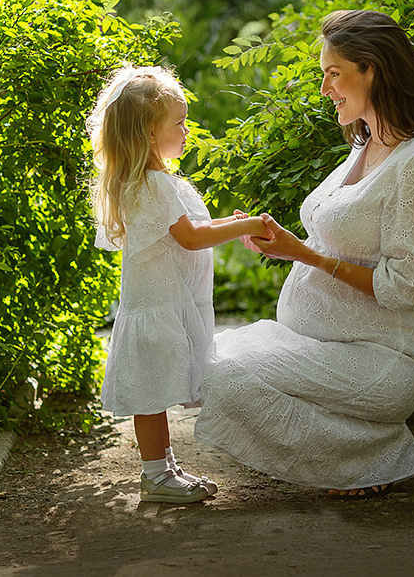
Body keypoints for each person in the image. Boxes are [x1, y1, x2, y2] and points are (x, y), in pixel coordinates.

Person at [194, 10, 414, 497]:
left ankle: (367, 458)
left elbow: (402, 286)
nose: (325, 88)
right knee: (205, 357)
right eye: (324, 75)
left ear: (372, 69)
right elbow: (339, 240)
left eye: (334, 74)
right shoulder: (365, 146)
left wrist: (305, 257)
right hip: (323, 349)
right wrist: (287, 243)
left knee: (223, 375)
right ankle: (364, 452)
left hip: (382, 361)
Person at [87, 65, 273, 504]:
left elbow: (188, 228)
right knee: (151, 393)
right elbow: (189, 238)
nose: (187, 130)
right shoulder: (151, 184)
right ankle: (155, 475)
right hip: (157, 305)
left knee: (157, 390)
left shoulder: (156, 181)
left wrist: (229, 223)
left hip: (168, 302)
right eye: (179, 123)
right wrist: (246, 225)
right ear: (151, 133)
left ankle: (165, 470)